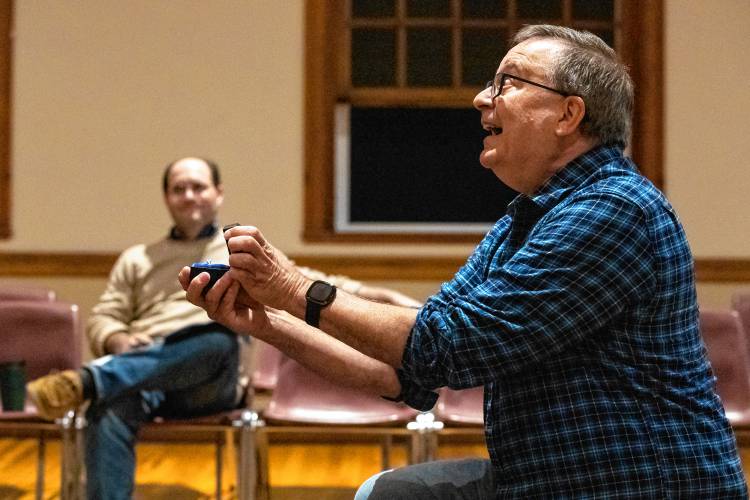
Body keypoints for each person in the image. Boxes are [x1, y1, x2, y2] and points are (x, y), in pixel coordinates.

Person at [181, 25, 748, 498]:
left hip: (640, 484)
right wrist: (269, 324)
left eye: (507, 83)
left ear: (569, 113)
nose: (481, 98)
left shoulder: (614, 209)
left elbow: (451, 346)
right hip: (546, 480)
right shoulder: (524, 220)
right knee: (392, 494)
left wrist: (291, 286)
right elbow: (406, 372)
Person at [27, 156, 422, 500]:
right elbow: (104, 316)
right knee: (109, 404)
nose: (189, 195)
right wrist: (118, 338)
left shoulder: (240, 250)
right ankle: (99, 383)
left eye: (198, 187)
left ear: (217, 194)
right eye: (179, 189)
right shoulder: (138, 260)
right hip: (146, 376)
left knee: (218, 339)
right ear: (167, 198)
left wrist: (396, 303)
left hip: (210, 383)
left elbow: (312, 282)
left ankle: (91, 379)